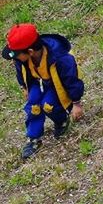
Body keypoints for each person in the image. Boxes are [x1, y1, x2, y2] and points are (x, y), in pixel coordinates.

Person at [2, 23, 84, 159]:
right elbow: (19, 71)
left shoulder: (61, 58)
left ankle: (61, 120)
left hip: (56, 83)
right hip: (36, 81)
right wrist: (24, 86)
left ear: (30, 51)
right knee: (33, 105)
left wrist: (76, 103)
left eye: (16, 55)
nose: (14, 59)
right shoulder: (21, 59)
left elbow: (72, 80)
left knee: (48, 105)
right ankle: (33, 139)